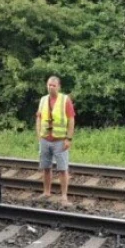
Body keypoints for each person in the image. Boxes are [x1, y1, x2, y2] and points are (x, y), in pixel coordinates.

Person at [36, 75, 76, 205]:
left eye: (53, 85)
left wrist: (68, 139)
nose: (50, 87)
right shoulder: (43, 100)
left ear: (58, 87)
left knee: (62, 169)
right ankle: (46, 192)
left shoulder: (65, 100)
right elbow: (39, 117)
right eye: (49, 85)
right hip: (45, 139)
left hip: (60, 140)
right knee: (46, 167)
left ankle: (64, 196)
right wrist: (38, 134)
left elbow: (71, 120)